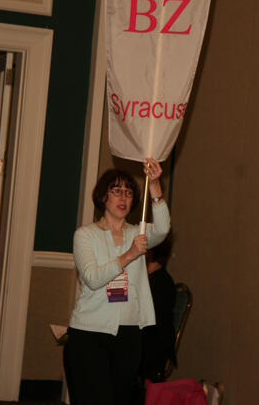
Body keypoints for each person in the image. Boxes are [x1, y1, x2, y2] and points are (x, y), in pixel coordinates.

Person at [64, 158, 170, 405]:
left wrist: (154, 187)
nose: (123, 197)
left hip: (129, 334)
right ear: (103, 197)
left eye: (129, 192)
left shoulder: (138, 232)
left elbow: (164, 229)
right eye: (116, 191)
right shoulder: (85, 235)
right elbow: (92, 278)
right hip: (89, 334)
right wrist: (131, 254)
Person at [140, 233, 176, 383]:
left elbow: (150, 327)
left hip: (150, 349)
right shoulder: (145, 279)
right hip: (141, 342)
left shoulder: (162, 284)